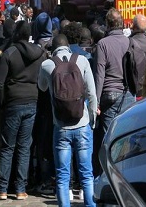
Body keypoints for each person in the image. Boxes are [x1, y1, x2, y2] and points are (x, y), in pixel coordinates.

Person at [38, 35, 97, 207]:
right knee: (86, 173)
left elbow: (41, 87)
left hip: (61, 126)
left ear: (53, 49)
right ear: (69, 47)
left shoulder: (47, 65)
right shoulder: (83, 61)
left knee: (62, 176)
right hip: (83, 123)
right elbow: (91, 94)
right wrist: (92, 120)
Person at [0, 21, 45, 201]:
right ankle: (20, 189)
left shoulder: (9, 53)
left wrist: (1, 102)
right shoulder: (40, 53)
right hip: (32, 100)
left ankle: (1, 188)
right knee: (24, 147)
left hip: (13, 101)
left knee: (8, 147)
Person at [94, 8, 133, 175]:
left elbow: (99, 74)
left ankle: (110, 174)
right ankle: (125, 172)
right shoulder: (129, 42)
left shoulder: (102, 44)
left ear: (107, 24)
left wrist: (95, 101)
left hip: (109, 93)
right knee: (126, 135)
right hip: (128, 93)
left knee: (109, 138)